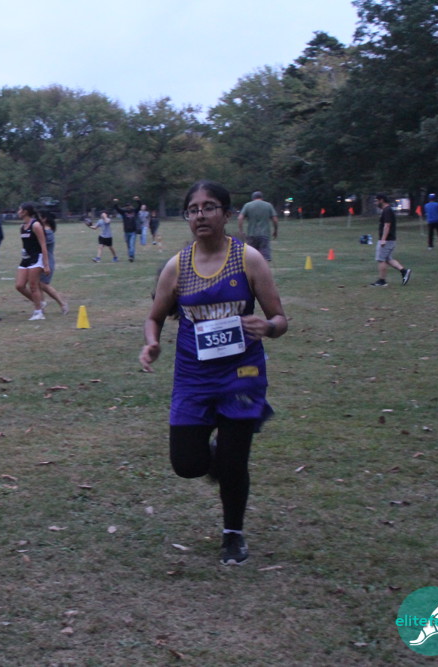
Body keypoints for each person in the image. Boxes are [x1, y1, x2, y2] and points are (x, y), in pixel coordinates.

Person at [140, 180, 288, 566]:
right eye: (193, 209)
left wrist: (267, 327)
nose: (201, 215)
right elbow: (154, 317)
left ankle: (233, 534)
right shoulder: (177, 266)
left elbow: (280, 318)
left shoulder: (248, 260)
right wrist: (151, 343)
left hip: (242, 373)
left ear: (226, 214)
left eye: (209, 207)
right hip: (193, 377)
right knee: (186, 464)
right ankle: (221, 456)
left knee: (234, 464)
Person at [14, 201, 50, 320]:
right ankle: (39, 303)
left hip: (37, 258)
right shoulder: (22, 227)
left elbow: (43, 245)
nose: (18, 212)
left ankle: (38, 313)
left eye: (20, 210)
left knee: (33, 285)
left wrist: (46, 264)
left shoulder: (36, 225)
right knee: (19, 285)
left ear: (25, 212)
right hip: (26, 259)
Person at [371, 194, 411, 287]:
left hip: (387, 240)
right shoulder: (387, 210)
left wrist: (383, 239)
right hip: (390, 239)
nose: (375, 203)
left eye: (376, 201)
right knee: (388, 259)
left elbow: (387, 225)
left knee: (381, 259)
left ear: (381, 200)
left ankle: (382, 281)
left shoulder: (387, 210)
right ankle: (404, 271)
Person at [37, 211, 68, 314]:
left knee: (43, 284)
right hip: (39, 260)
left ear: (44, 219)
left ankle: (62, 303)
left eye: (39, 217)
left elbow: (40, 245)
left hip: (47, 261)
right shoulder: (43, 231)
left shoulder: (48, 232)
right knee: (37, 284)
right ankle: (41, 307)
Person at [237, 191, 278, 262]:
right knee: (265, 257)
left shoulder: (247, 205)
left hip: (251, 234)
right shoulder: (268, 205)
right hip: (264, 234)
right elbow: (275, 220)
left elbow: (240, 218)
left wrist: (241, 231)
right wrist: (275, 230)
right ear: (262, 197)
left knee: (251, 257)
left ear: (253, 198)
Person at [113, 197, 141, 261]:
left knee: (131, 244)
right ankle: (131, 256)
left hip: (133, 231)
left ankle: (131, 256)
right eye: (127, 206)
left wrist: (138, 200)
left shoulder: (134, 211)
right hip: (126, 232)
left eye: (129, 206)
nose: (128, 207)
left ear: (131, 206)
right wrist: (116, 203)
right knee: (128, 245)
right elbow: (117, 209)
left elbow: (139, 206)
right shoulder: (124, 212)